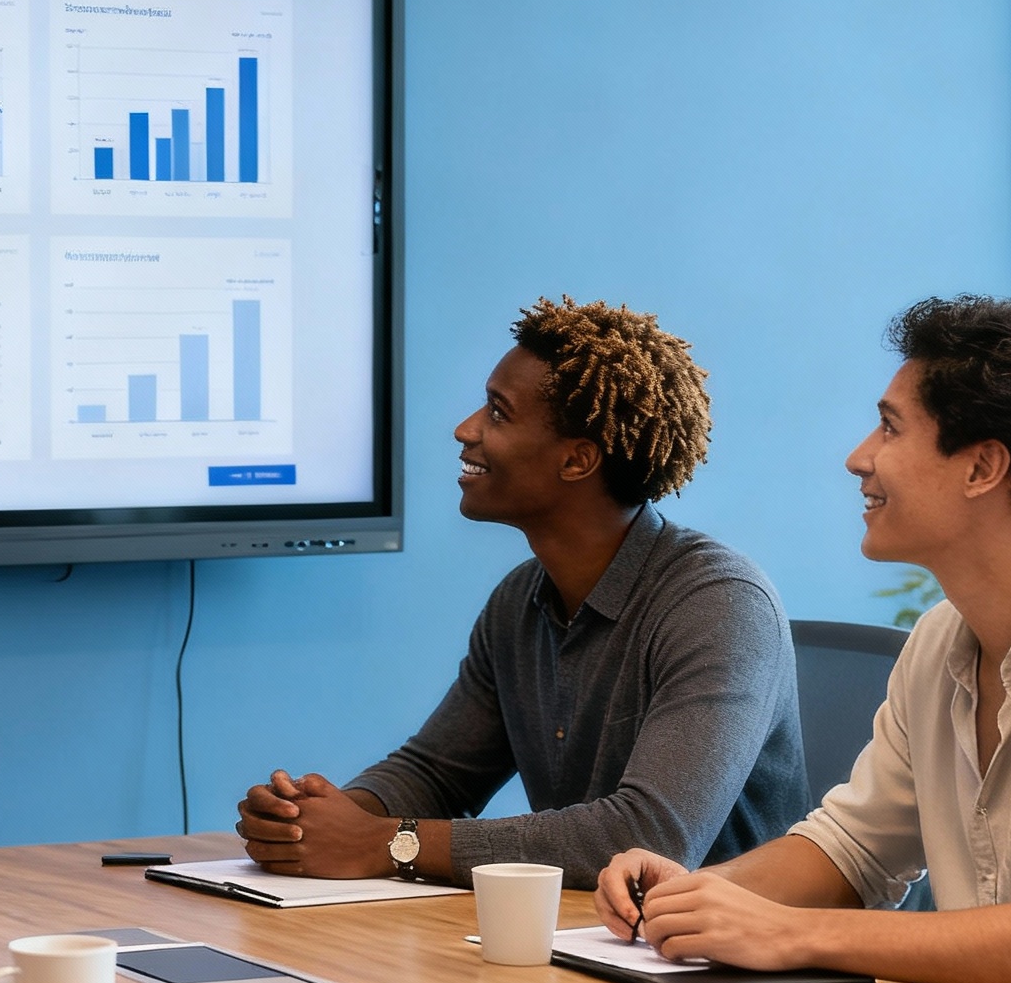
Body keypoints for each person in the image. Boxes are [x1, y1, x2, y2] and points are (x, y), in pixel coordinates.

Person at [595, 296, 1011, 983]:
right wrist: (692, 899)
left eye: (890, 427)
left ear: (981, 467)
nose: (858, 457)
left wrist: (789, 934)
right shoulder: (942, 639)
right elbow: (852, 849)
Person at [237, 298, 810, 888]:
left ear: (578, 459)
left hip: (722, 965)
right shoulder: (521, 600)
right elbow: (438, 773)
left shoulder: (719, 605)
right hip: (596, 940)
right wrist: (316, 820)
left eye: (498, 413)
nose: (466, 430)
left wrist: (388, 843)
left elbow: (646, 837)